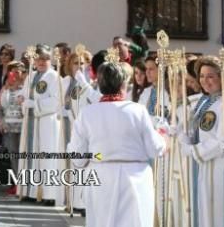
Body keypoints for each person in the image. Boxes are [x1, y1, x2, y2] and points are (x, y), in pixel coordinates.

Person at [68, 61, 167, 227]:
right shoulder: (137, 110)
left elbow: (77, 158)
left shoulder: (87, 113)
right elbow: (154, 148)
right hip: (134, 178)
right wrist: (164, 138)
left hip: (100, 176)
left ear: (99, 85)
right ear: (123, 84)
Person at [180, 55, 224, 227]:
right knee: (204, 211)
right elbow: (197, 127)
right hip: (203, 166)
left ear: (222, 77)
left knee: (216, 212)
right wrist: (184, 136)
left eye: (210, 76)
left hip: (218, 166)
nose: (205, 81)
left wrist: (194, 151)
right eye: (201, 76)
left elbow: (223, 140)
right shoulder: (205, 100)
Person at [19, 44, 63, 207]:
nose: (43, 61)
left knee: (46, 156)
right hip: (31, 121)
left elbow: (56, 101)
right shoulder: (30, 76)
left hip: (47, 122)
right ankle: (30, 191)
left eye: (46, 58)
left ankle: (49, 194)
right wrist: (22, 100)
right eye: (39, 58)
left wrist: (32, 104)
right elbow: (24, 96)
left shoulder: (54, 77)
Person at [60, 47, 98, 215]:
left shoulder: (91, 83)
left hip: (83, 129)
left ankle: (81, 202)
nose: (79, 66)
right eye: (76, 63)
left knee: (82, 165)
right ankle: (70, 199)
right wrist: (62, 111)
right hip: (68, 126)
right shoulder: (67, 81)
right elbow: (62, 101)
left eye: (82, 63)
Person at [0, 60, 26, 195]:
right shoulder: (5, 88)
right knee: (13, 156)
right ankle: (16, 183)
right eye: (13, 70)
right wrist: (1, 122)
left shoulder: (26, 87)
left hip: (23, 127)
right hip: (9, 127)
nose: (15, 73)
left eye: (19, 70)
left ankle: (25, 184)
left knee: (23, 156)